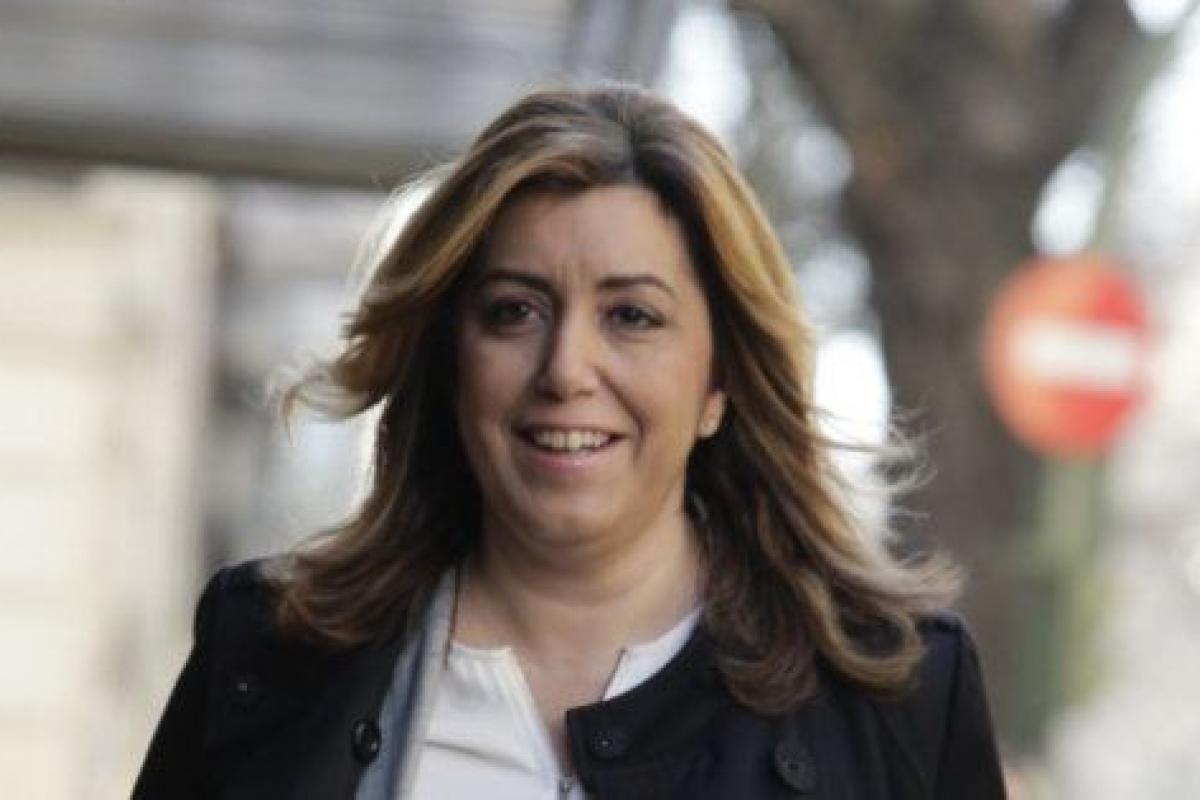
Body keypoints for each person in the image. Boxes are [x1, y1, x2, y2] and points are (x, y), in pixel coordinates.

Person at [133, 85, 1006, 799]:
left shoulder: (900, 699)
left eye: (632, 316)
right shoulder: (269, 658)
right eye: (515, 310)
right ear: (449, 359)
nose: (565, 369)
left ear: (720, 383)